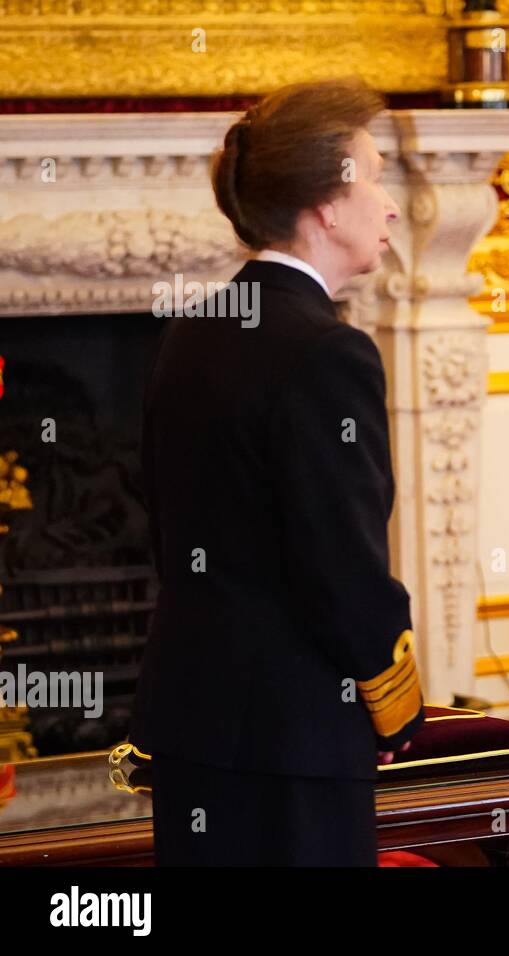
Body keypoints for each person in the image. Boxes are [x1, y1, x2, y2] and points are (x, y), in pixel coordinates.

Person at [130, 78, 424, 865]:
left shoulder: (196, 330)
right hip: (293, 733)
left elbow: (168, 530)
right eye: (374, 176)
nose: (391, 205)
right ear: (327, 205)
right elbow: (340, 569)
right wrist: (395, 707)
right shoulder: (328, 352)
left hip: (196, 715)